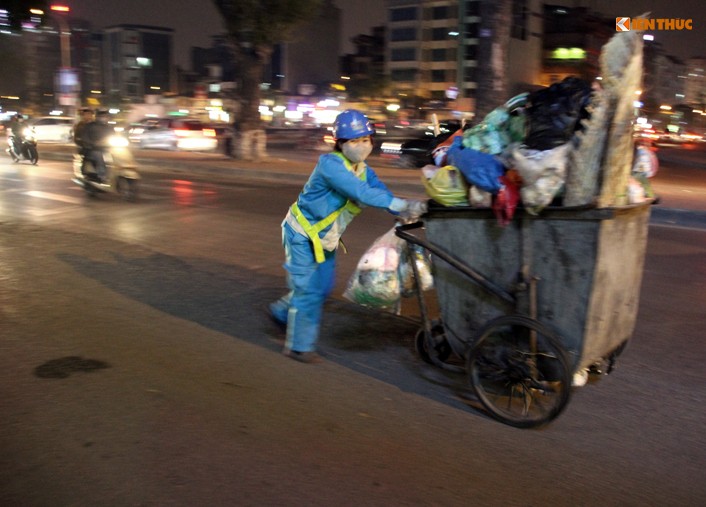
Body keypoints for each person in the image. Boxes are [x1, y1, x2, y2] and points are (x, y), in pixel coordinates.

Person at [269, 109, 425, 364]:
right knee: (308, 291)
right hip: (302, 235)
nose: (361, 145)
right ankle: (299, 346)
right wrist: (400, 205)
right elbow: (360, 192)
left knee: (322, 287)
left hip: (326, 238)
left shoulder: (363, 170)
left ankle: (281, 312)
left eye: (365, 139)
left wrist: (403, 209)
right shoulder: (330, 165)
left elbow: (377, 190)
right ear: (340, 143)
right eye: (354, 141)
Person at [82, 109, 114, 182]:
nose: (104, 118)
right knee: (99, 156)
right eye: (102, 116)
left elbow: (114, 136)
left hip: (107, 149)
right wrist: (93, 144)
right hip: (92, 150)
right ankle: (102, 175)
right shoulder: (89, 126)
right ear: (97, 117)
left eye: (105, 116)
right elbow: (85, 138)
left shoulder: (109, 127)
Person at [73, 107, 94, 174]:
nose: (88, 116)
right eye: (86, 114)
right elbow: (76, 138)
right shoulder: (80, 125)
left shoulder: (95, 125)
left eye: (89, 114)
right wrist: (83, 143)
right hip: (85, 146)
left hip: (96, 145)